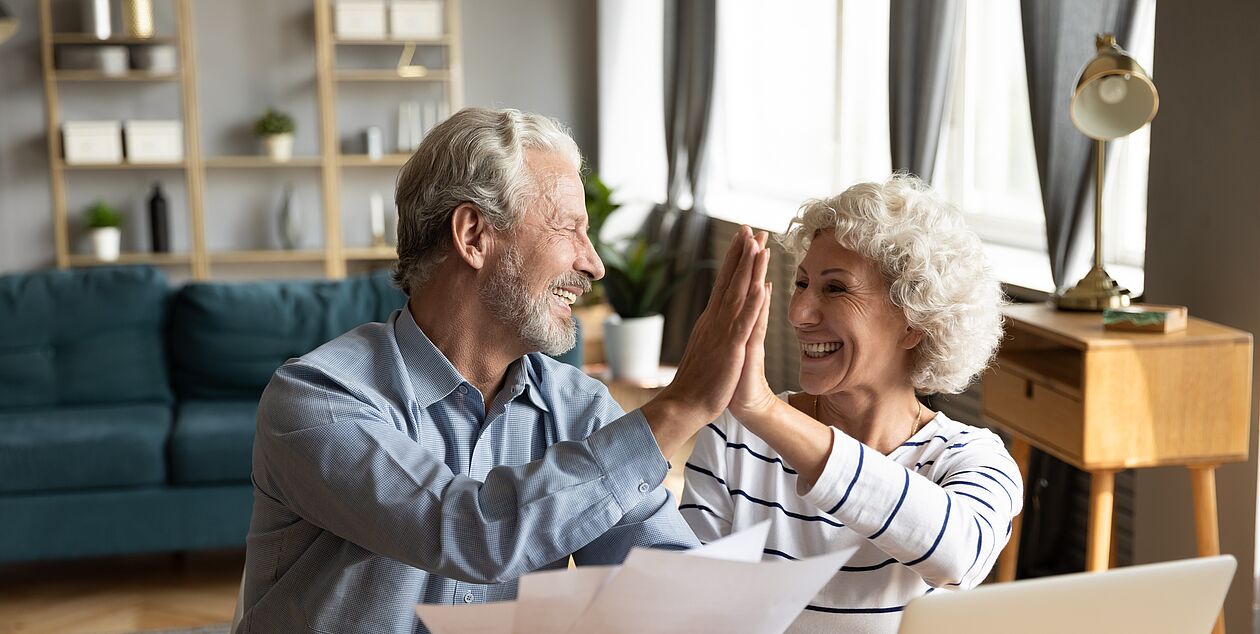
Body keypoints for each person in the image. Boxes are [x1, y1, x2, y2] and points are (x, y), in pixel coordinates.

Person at [237, 107, 771, 632]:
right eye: (569, 229)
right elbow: (468, 534)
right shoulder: (318, 399)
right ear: (472, 235)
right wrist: (678, 408)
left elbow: (653, 574)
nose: (594, 264)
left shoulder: (577, 409)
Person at [681, 175, 1022, 634]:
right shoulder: (735, 436)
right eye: (801, 284)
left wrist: (765, 410)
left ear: (913, 322)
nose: (800, 314)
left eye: (835, 289)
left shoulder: (971, 457)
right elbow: (687, 608)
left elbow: (958, 555)